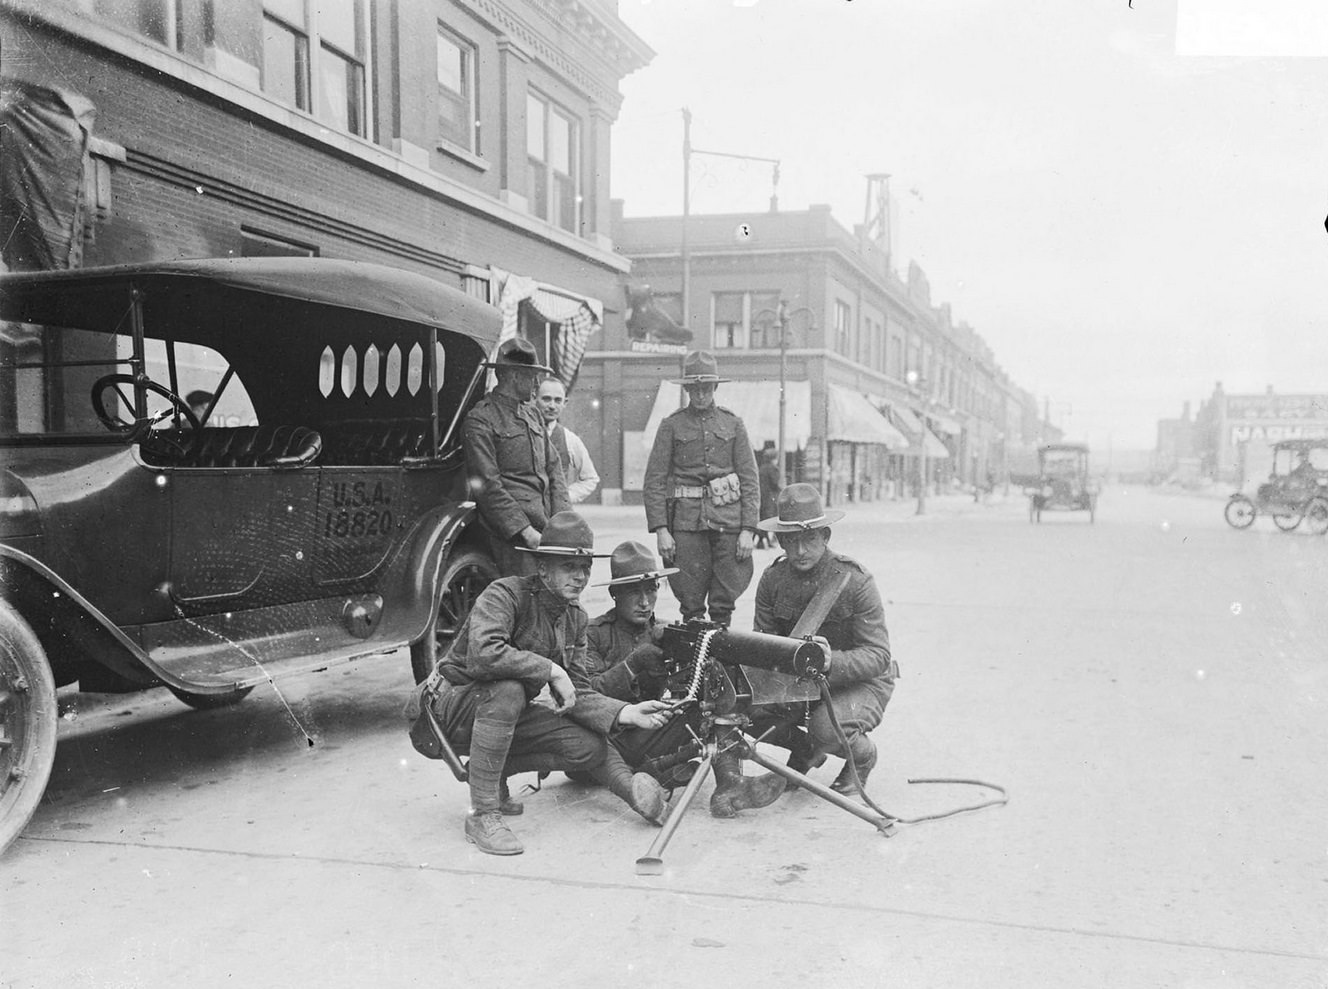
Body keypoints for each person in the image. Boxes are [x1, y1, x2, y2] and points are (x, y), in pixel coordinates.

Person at [419, 511, 676, 856]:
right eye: (568, 566)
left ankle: (493, 776)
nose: (580, 576)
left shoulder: (575, 617)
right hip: (445, 708)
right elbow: (484, 654)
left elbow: (580, 692)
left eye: (585, 567)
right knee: (508, 689)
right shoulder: (505, 594)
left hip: (495, 712)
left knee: (588, 745)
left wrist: (627, 712)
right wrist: (553, 671)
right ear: (542, 568)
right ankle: (482, 814)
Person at [584, 540, 788, 816]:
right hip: (610, 740)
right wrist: (632, 665)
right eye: (634, 592)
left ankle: (728, 784)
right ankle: (667, 771)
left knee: (712, 703)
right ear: (615, 593)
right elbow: (588, 693)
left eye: (651, 590)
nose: (645, 602)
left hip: (650, 732)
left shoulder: (664, 632)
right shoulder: (594, 634)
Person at [748, 483, 897, 798]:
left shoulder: (855, 581)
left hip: (859, 682)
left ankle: (862, 757)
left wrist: (833, 661)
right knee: (744, 711)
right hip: (800, 682)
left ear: (826, 536)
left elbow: (878, 655)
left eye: (810, 539)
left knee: (826, 729)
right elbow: (764, 645)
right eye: (791, 541)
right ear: (780, 541)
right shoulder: (773, 580)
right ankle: (805, 750)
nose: (800, 551)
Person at [643, 350, 760, 626]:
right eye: (694, 388)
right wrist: (661, 530)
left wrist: (748, 529)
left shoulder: (733, 424)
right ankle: (694, 661)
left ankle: (720, 657)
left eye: (705, 387)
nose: (700, 394)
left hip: (728, 523)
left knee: (724, 601)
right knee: (691, 601)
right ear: (687, 389)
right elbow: (654, 481)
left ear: (715, 387)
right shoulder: (671, 426)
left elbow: (750, 479)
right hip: (686, 524)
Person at [463, 338, 570, 577]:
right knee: (526, 602)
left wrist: (563, 523)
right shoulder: (481, 420)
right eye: (532, 376)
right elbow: (488, 486)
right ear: (514, 376)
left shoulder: (532, 414)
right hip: (512, 539)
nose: (536, 383)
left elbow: (554, 470)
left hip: (548, 531)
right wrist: (526, 532)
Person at [534, 377, 600, 504]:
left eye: (558, 400)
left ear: (565, 403)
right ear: (534, 399)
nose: (552, 406)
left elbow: (590, 478)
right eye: (546, 399)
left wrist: (566, 497)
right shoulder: (521, 432)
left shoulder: (570, 439)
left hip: (556, 515)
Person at [755, 446, 780, 549]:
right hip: (770, 497)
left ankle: (763, 540)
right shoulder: (772, 468)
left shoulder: (761, 467)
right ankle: (767, 540)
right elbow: (774, 483)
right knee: (772, 518)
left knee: (762, 518)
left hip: (761, 496)